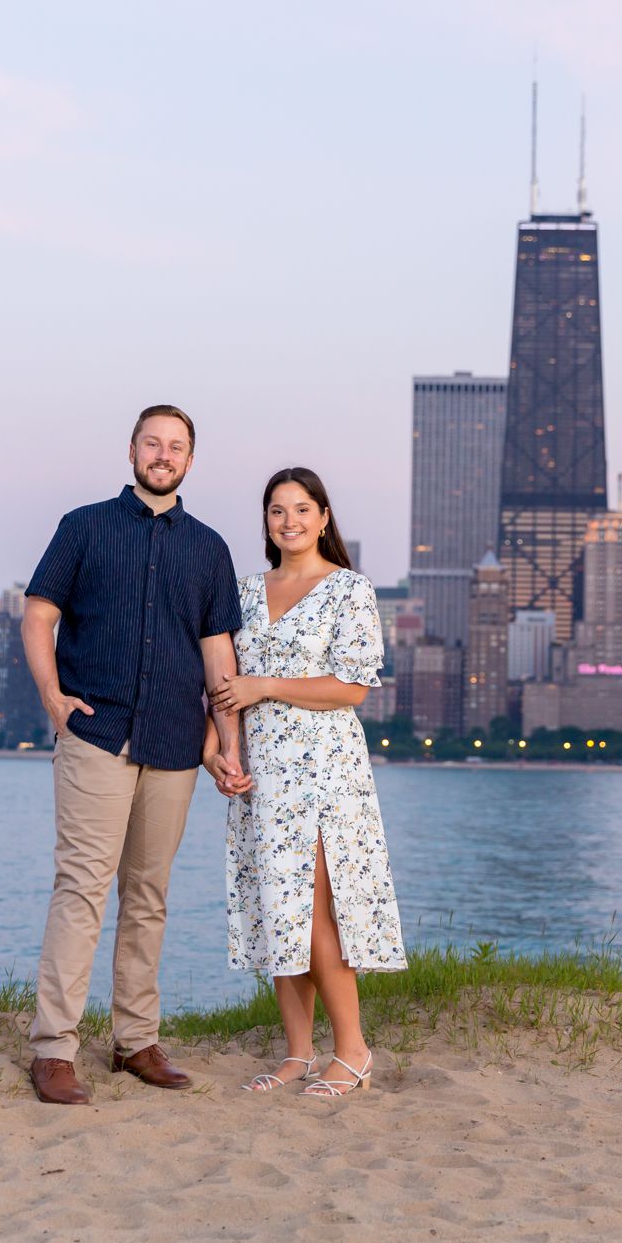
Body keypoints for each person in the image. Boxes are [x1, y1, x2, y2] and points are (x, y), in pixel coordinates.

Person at [20, 403, 252, 1106]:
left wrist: (226, 747)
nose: (162, 454)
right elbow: (38, 615)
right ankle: (54, 1050)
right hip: (98, 736)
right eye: (152, 443)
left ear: (190, 460)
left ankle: (135, 1043)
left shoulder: (209, 548)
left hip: (177, 746)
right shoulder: (83, 527)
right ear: (131, 451)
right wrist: (54, 699)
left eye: (175, 446)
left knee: (148, 897)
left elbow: (219, 656)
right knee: (82, 890)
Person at [210, 466, 407, 1097]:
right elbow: (219, 685)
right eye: (276, 511)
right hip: (261, 772)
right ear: (264, 522)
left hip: (325, 771)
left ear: (324, 517)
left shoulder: (349, 590)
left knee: (321, 910)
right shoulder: (242, 592)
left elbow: (352, 686)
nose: (289, 521)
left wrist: (264, 685)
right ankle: (298, 1052)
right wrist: (218, 751)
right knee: (278, 908)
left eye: (302, 509)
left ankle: (351, 1050)